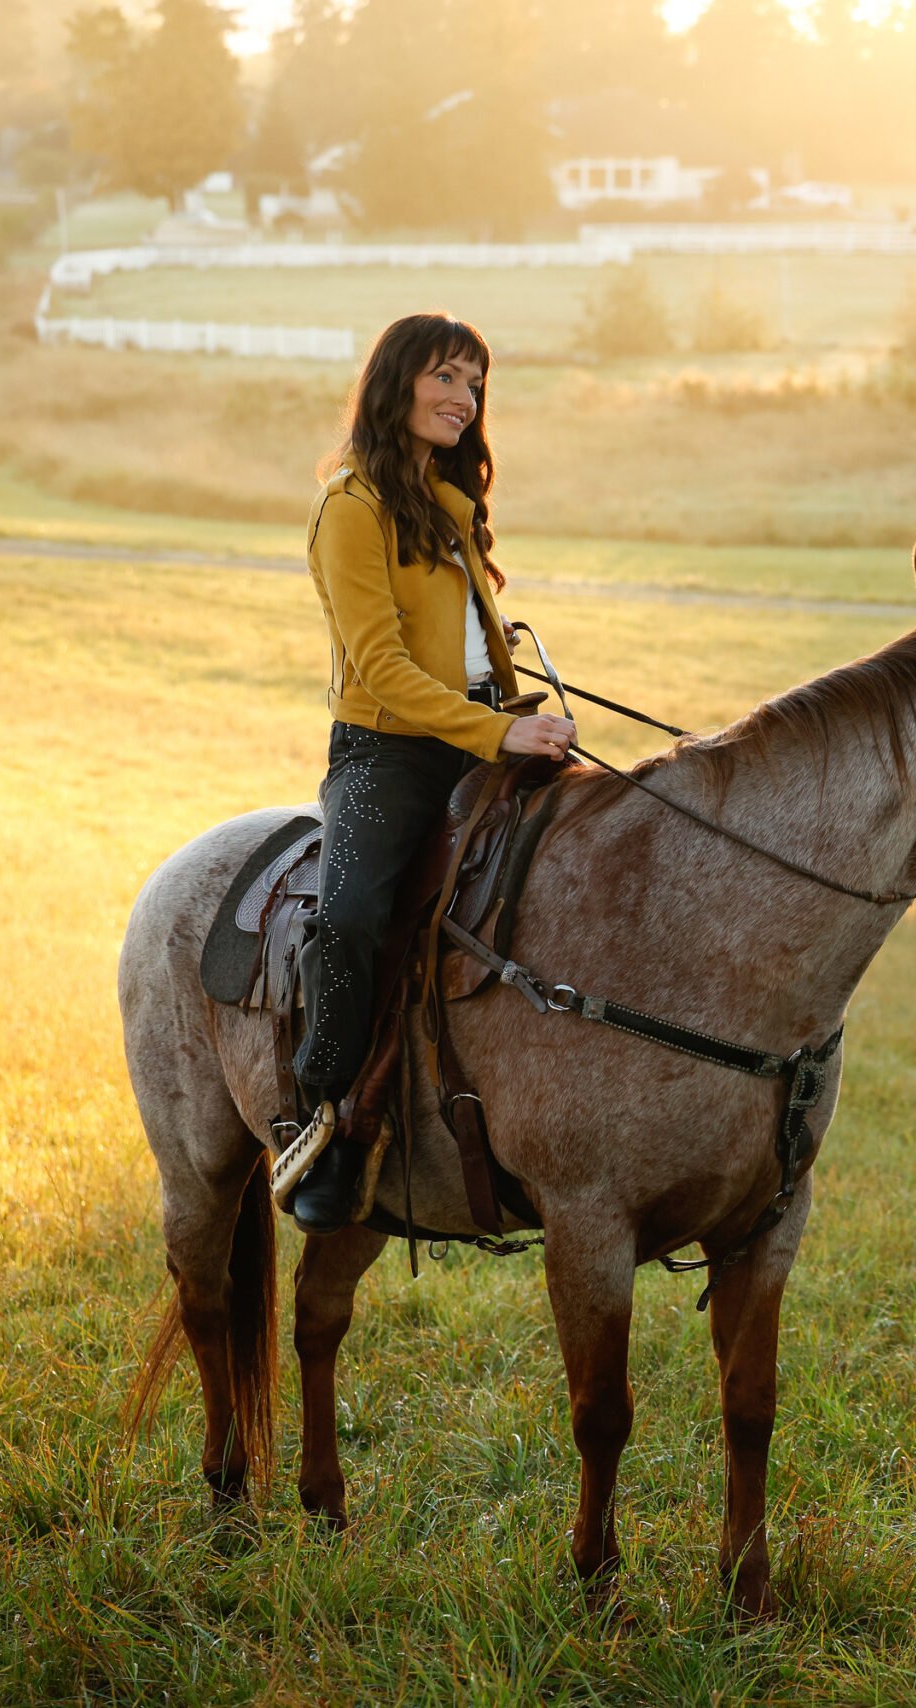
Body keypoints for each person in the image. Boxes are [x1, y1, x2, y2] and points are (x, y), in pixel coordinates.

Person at [282, 313, 577, 1234]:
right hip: (389, 750)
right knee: (359, 912)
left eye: (476, 384)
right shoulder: (351, 508)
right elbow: (382, 671)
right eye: (447, 378)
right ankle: (329, 1119)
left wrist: (523, 715)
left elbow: (470, 650)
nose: (464, 398)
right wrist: (494, 737)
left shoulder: (446, 503)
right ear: (398, 383)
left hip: (489, 730)